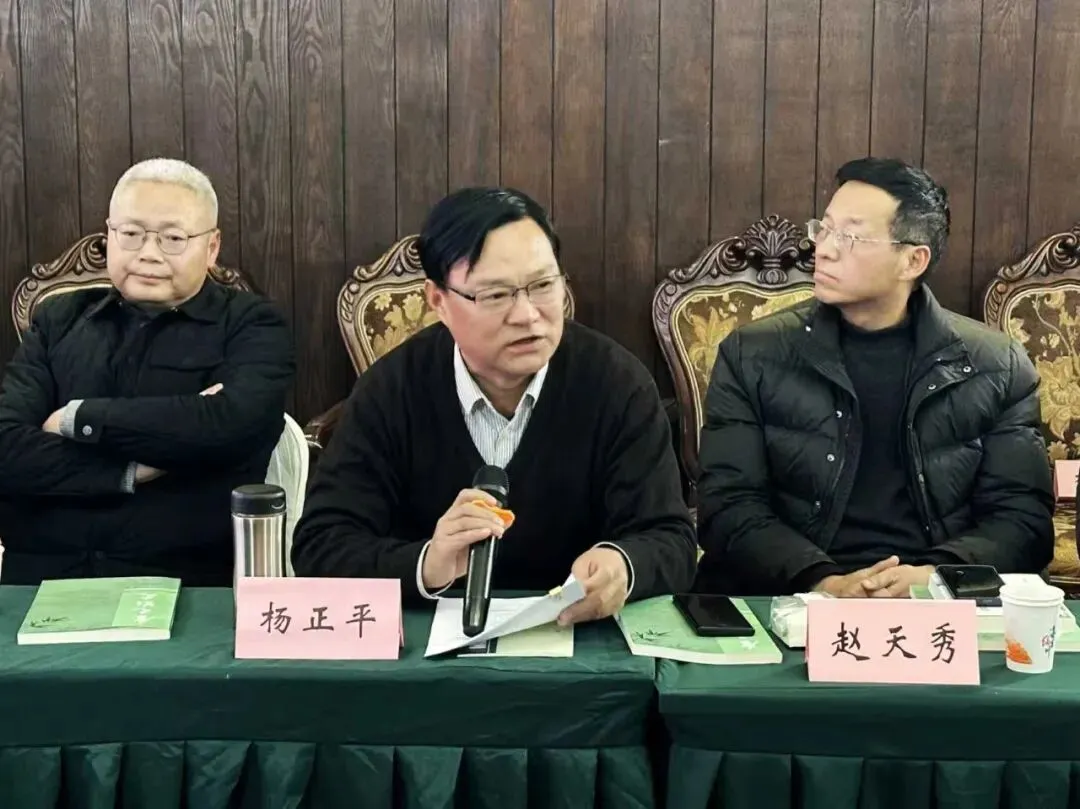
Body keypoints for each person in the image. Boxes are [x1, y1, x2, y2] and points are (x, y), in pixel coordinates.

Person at [292, 187, 696, 624]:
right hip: (427, 643)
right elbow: (320, 545)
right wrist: (426, 564)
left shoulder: (617, 385)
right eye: (496, 295)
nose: (527, 315)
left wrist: (624, 565)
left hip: (577, 640)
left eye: (543, 285)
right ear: (438, 301)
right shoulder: (391, 390)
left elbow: (671, 539)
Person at [696, 157, 1053, 598]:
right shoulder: (752, 354)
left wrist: (934, 578)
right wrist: (823, 581)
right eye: (824, 229)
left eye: (850, 237)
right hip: (796, 594)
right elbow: (728, 507)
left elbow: (1022, 520)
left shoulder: (998, 365)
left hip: (937, 603)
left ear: (912, 260)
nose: (823, 249)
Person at [0, 158, 295, 585]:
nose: (149, 253)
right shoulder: (58, 319)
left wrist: (77, 418)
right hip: (41, 577)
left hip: (179, 579)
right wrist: (132, 469)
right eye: (132, 234)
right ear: (109, 235)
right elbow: (7, 448)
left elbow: (230, 427)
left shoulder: (252, 326)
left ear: (212, 247)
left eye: (173, 238)